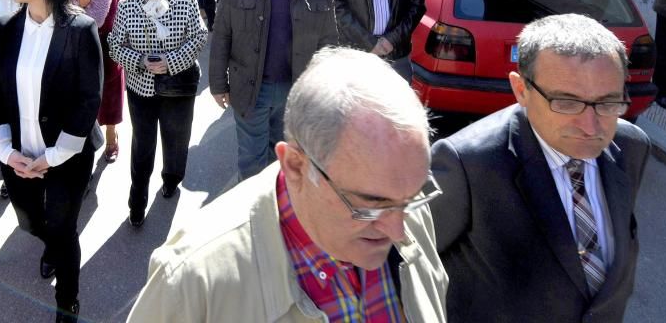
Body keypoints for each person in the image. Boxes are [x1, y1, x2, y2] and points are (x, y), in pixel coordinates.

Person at [128, 48, 447, 323]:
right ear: (295, 166)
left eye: (411, 197)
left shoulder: (404, 209)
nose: (398, 230)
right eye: (370, 205)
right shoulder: (191, 283)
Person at [430, 13, 650, 323]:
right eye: (566, 102)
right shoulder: (466, 164)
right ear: (521, 90)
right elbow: (408, 268)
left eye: (608, 102)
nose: (591, 127)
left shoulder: (631, 147)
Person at [0, 0, 103, 323]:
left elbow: (89, 101)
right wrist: (6, 151)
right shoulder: (5, 28)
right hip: (18, 155)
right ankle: (49, 244)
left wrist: (51, 158)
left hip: (65, 156)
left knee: (63, 227)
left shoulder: (79, 29)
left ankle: (67, 299)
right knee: (31, 221)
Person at [211, 0, 338, 179]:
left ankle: (275, 211)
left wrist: (324, 89)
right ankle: (253, 215)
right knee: (252, 162)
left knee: (281, 159)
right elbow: (222, 34)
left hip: (295, 90)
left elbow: (328, 43)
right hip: (250, 88)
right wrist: (218, 84)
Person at [107, 0, 207, 227]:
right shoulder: (127, 5)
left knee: (176, 141)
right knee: (142, 146)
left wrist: (170, 61)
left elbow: (199, 37)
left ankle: (171, 180)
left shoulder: (186, 0)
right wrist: (139, 60)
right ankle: (136, 200)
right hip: (141, 89)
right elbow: (114, 45)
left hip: (178, 88)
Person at [65, 0, 132, 163]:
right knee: (78, 103)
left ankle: (112, 136)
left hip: (106, 49)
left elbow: (126, 17)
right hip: (68, 51)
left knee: (110, 98)